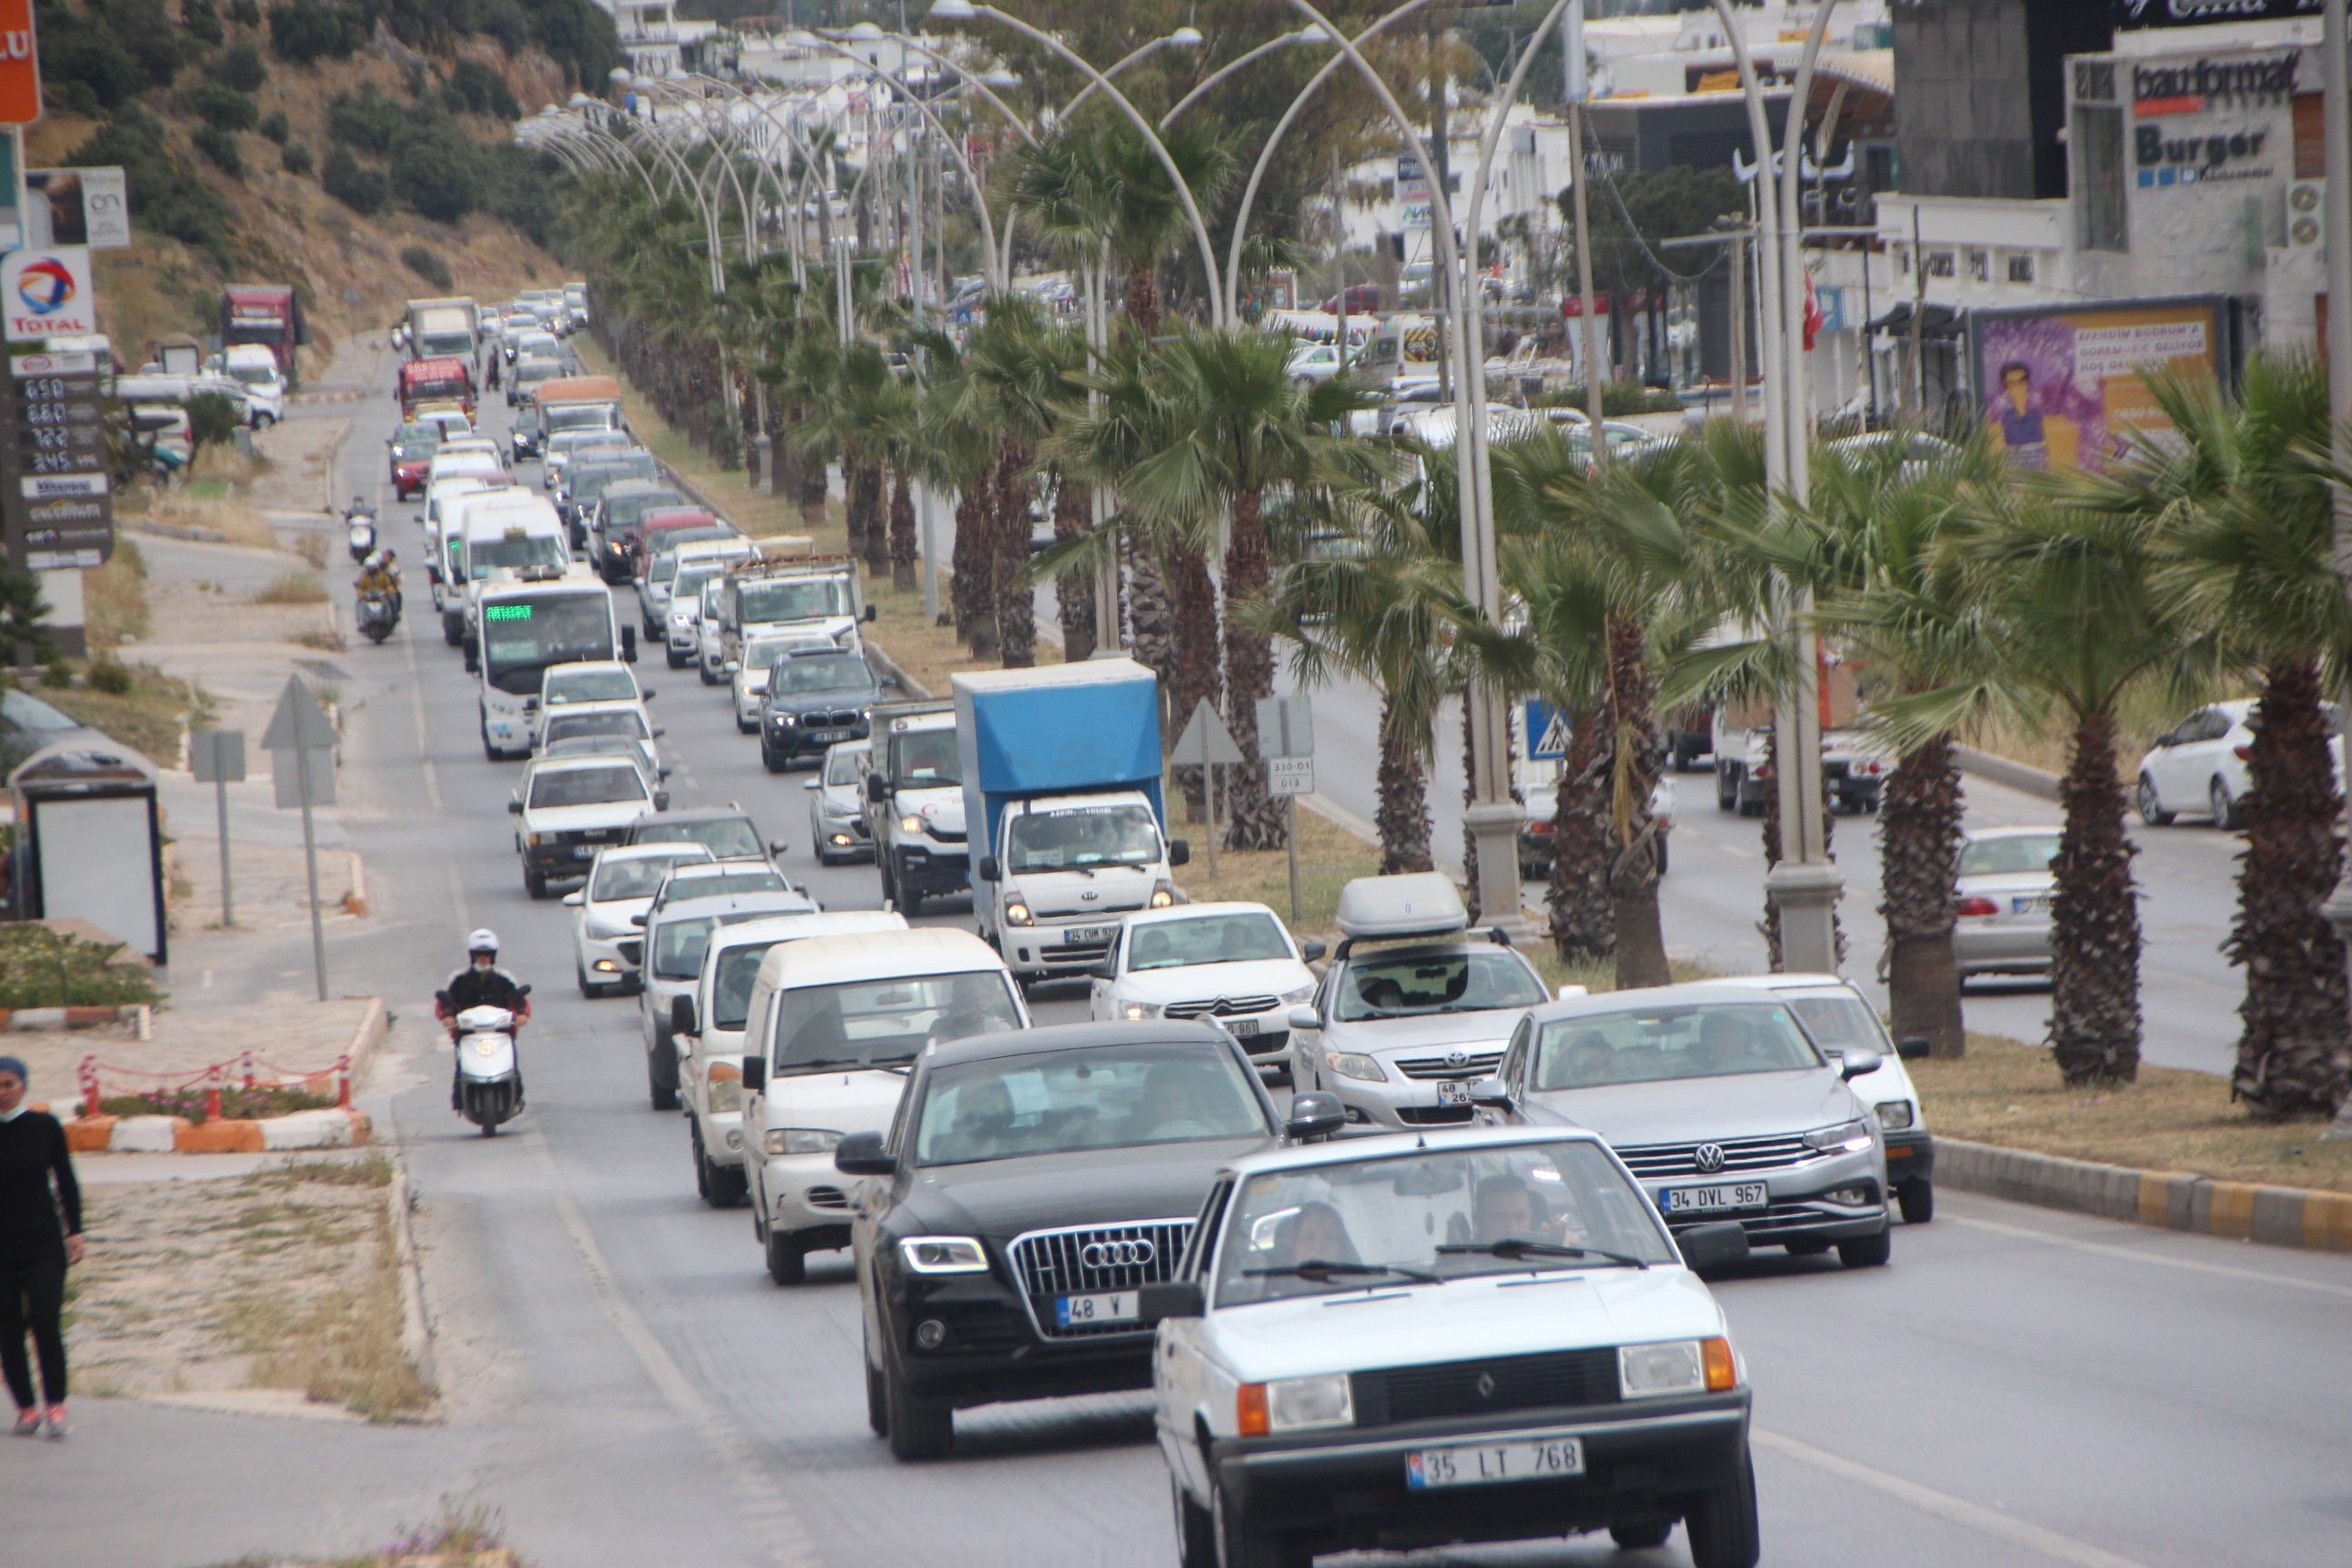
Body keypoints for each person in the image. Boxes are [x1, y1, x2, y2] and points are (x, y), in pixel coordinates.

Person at [0, 1054, 83, 1439]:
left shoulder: (44, 1126)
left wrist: (76, 1231)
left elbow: (65, 1180)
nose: (2, 1093)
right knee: (8, 1327)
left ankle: (56, 1405)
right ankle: (27, 1409)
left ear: (23, 1086)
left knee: (46, 1321)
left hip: (43, 1242)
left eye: (8, 1084)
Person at [436, 930, 530, 1112]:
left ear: (493, 955)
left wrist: (521, 1015)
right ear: (472, 955)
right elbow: (446, 1001)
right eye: (479, 954)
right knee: (460, 1068)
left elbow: (519, 1000)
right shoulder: (459, 979)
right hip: (468, 1034)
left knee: (513, 1065)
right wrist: (447, 1016)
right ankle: (460, 1101)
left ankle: (516, 1096)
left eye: (487, 954)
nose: (483, 958)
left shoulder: (505, 979)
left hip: (500, 1032)